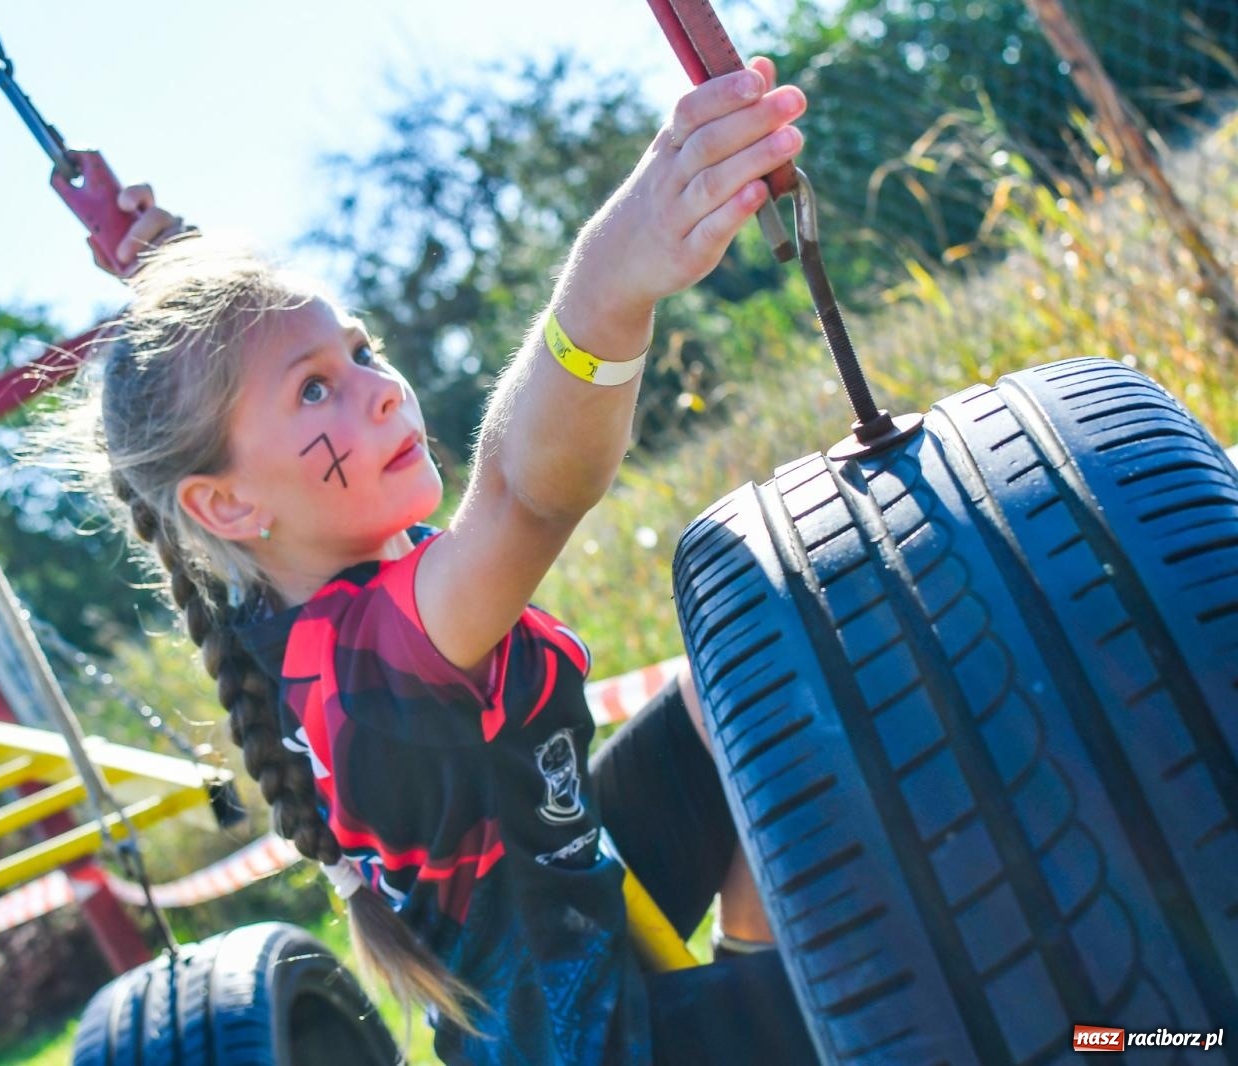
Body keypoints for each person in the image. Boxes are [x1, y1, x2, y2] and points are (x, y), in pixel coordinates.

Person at [58, 56, 819, 1065]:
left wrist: (169, 263)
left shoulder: (294, 585)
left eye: (360, 352)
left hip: (575, 910)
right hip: (594, 1043)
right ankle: (798, 1003)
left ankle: (764, 967)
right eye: (316, 390)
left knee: (755, 671)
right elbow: (524, 494)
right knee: (920, 993)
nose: (380, 389)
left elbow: (229, 396)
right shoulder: (366, 667)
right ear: (228, 505)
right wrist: (615, 272)